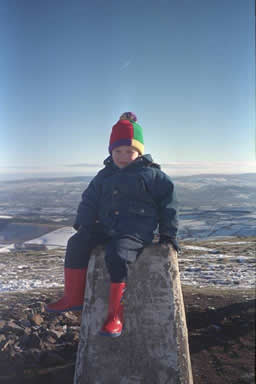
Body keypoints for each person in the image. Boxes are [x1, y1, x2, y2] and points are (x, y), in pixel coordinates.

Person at [46, 112, 179, 338]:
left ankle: (115, 315)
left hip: (135, 231)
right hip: (107, 226)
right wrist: (84, 224)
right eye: (118, 151)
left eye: (129, 151)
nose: (123, 156)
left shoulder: (153, 175)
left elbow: (169, 204)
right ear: (111, 151)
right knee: (77, 243)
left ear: (139, 152)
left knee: (117, 254)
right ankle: (73, 297)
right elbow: (89, 200)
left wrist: (168, 234)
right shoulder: (104, 175)